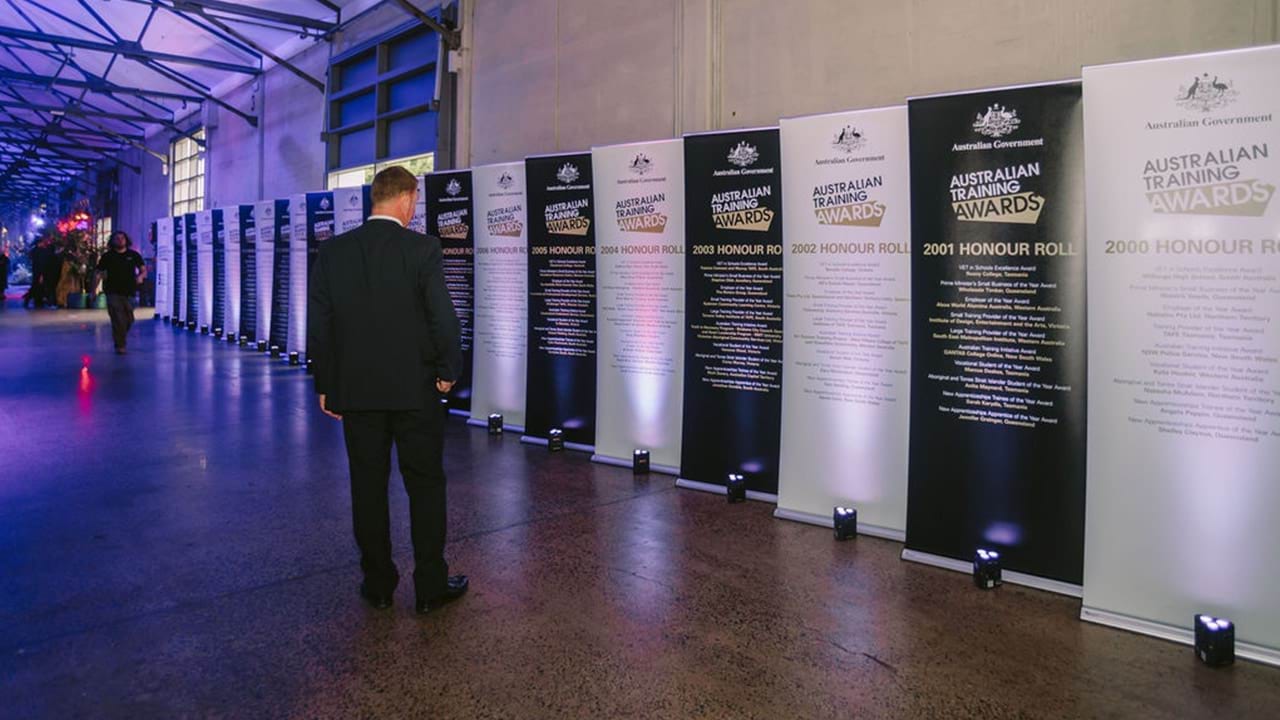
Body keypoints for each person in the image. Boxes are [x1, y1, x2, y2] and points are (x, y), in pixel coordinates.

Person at [307, 166, 467, 614]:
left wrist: (327, 385)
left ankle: (378, 584)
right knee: (426, 486)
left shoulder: (334, 253)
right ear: (407, 199)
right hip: (415, 391)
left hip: (357, 394)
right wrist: (447, 371)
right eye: (415, 199)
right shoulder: (422, 249)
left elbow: (321, 327)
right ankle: (430, 586)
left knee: (367, 487)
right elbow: (443, 319)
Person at [94, 230, 147, 353]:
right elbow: (98, 274)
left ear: (126, 240)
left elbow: (143, 270)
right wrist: (94, 290)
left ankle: (120, 338)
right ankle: (120, 345)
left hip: (130, 291)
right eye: (117, 238)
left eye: (122, 238)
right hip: (112, 292)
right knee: (118, 318)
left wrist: (140, 277)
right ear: (112, 241)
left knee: (128, 319)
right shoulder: (107, 256)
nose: (120, 240)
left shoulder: (133, 255)